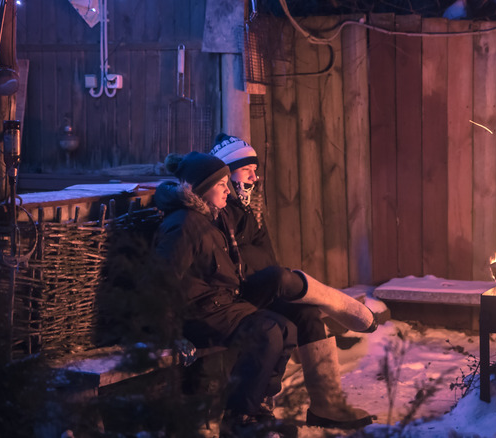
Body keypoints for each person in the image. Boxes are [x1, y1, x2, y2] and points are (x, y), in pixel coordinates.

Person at [209, 134, 377, 429]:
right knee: (279, 278)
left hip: (256, 292)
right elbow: (231, 269)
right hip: (233, 298)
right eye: (247, 169)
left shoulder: (250, 213)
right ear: (227, 173)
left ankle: (327, 406)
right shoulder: (217, 214)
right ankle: (334, 300)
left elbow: (267, 260)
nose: (255, 177)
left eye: (255, 170)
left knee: (308, 315)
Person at [151, 151, 297, 436]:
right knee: (267, 331)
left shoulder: (206, 219)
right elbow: (160, 282)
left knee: (286, 328)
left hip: (219, 306)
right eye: (221, 185)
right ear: (203, 189)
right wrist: (171, 335)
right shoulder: (184, 225)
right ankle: (238, 420)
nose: (228, 190)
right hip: (197, 313)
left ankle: (255, 410)